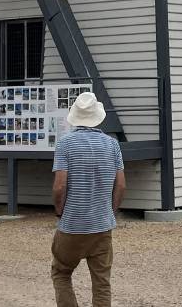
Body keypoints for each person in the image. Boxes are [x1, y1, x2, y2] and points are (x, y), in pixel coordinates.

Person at [51, 92, 125, 307]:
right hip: (102, 225)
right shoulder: (112, 145)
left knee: (62, 273)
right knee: (101, 281)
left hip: (72, 224)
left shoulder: (65, 144)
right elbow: (121, 185)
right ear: (98, 117)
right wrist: (110, 211)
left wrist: (59, 211)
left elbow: (60, 186)